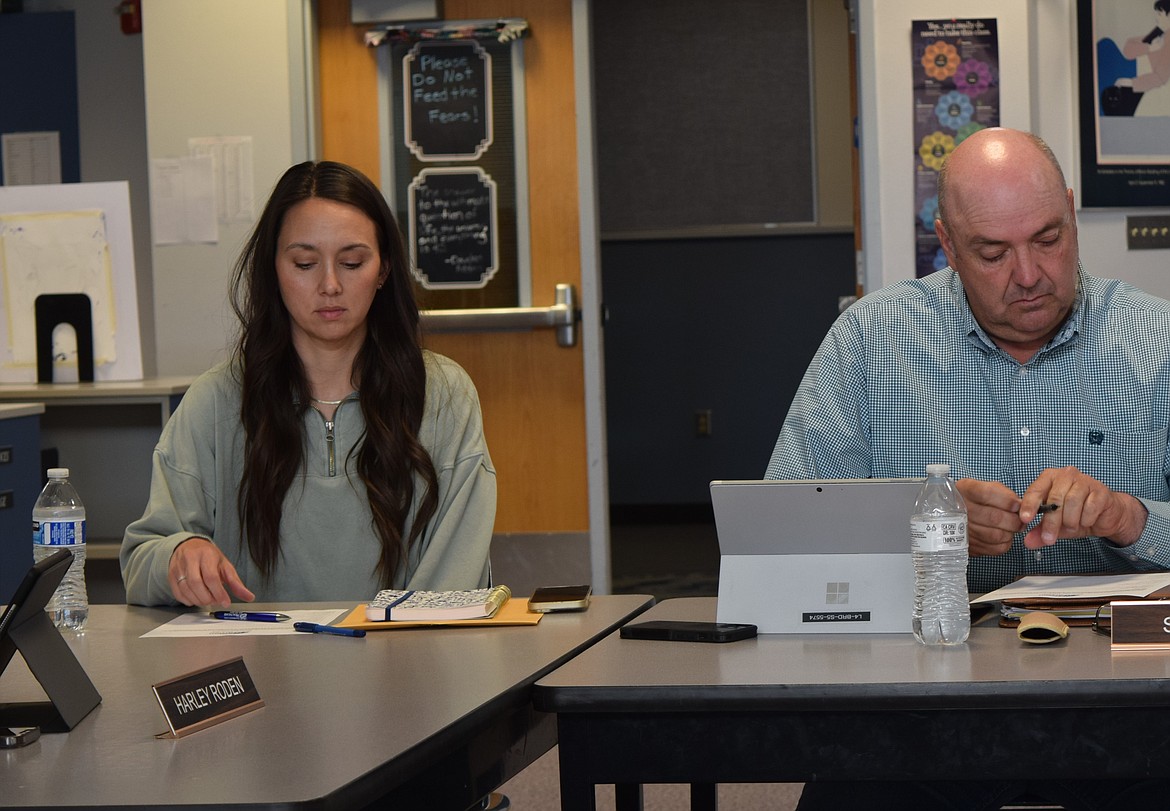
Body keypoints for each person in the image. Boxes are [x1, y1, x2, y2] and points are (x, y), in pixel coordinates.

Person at [770, 129, 1170, 809]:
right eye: (992, 253)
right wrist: (921, 522)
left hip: (1127, 704)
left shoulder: (1156, 340)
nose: (1029, 273)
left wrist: (1129, 518)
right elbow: (781, 536)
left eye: (1048, 238)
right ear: (947, 245)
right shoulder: (871, 342)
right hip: (919, 705)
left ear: (1071, 212)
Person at [120, 160, 496, 607]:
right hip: (261, 667)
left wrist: (398, 654)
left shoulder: (445, 395)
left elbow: (455, 581)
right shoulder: (217, 401)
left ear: (384, 270)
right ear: (273, 270)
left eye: (352, 262)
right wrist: (178, 556)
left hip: (406, 663)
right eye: (304, 263)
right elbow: (142, 561)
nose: (330, 285)